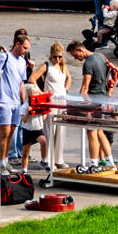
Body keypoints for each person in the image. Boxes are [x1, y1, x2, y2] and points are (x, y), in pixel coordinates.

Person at [69, 40, 116, 173]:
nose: (75, 58)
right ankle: (111, 162)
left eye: (75, 55)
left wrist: (79, 105)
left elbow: (85, 88)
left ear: (80, 50)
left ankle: (93, 163)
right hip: (103, 98)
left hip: (93, 101)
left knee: (91, 133)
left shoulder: (88, 63)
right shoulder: (100, 56)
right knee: (100, 131)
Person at [21, 41, 68, 177]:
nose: (57, 59)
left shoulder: (63, 66)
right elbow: (32, 79)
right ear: (51, 55)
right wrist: (42, 93)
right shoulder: (46, 65)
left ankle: (58, 159)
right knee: (49, 131)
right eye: (55, 56)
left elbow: (69, 78)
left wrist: (65, 89)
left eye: (59, 56)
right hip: (50, 102)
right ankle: (48, 159)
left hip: (62, 102)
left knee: (61, 131)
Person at [0, 31, 32, 173]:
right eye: (25, 48)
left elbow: (22, 83)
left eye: (28, 48)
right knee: (4, 133)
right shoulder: (4, 57)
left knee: (11, 132)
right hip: (4, 101)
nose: (26, 51)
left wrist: (24, 102)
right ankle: (0, 163)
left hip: (16, 102)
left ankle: (5, 161)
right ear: (17, 44)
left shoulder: (22, 62)